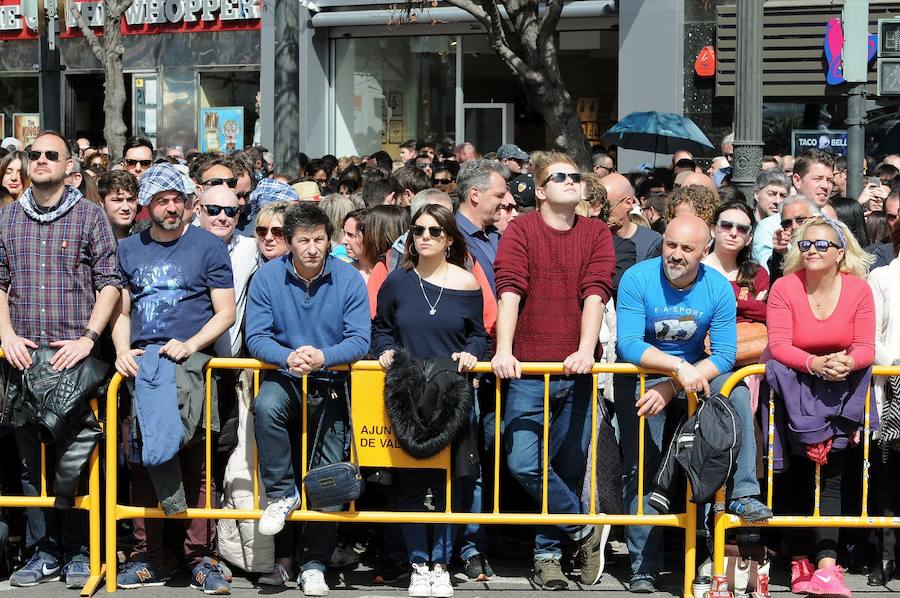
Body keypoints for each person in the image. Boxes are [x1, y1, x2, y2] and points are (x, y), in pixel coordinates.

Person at [615, 214, 772, 593]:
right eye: (671, 245)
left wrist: (676, 382)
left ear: (705, 251)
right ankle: (643, 567)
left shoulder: (716, 285)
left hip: (690, 374)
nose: (677, 254)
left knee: (732, 388)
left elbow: (724, 353)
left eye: (687, 248)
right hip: (643, 373)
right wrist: (675, 370)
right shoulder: (637, 278)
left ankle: (745, 495)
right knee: (644, 468)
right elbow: (630, 344)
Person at [0, 131, 124, 589]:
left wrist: (90, 338)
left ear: (70, 165)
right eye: (35, 154)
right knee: (31, 464)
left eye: (52, 155)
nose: (41, 160)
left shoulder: (90, 215)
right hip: (24, 359)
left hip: (74, 361)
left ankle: (77, 550)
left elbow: (110, 281)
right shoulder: (8, 219)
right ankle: (41, 551)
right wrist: (7, 334)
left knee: (76, 461)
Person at [492, 152, 615, 590]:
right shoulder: (520, 230)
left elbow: (595, 294)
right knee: (523, 461)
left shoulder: (597, 232)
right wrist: (503, 350)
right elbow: (509, 290)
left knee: (563, 467)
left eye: (575, 176)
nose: (570, 181)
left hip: (575, 370)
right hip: (527, 368)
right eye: (559, 177)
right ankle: (583, 528)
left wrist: (585, 350)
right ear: (540, 190)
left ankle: (547, 555)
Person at [111, 162, 236, 593]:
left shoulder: (208, 247)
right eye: (161, 201)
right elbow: (121, 311)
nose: (170, 208)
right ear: (147, 205)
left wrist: (191, 344)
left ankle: (200, 556)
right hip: (143, 368)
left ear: (188, 203)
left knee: (196, 464)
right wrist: (123, 350)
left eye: (176, 200)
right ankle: (150, 557)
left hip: (194, 367)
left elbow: (225, 312)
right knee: (146, 460)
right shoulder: (128, 249)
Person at [246, 203, 370, 597]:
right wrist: (287, 356)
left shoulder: (349, 279)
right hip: (284, 377)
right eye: (304, 241)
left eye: (319, 240)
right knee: (266, 407)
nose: (313, 248)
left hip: (331, 381)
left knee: (327, 475)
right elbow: (256, 335)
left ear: (328, 239)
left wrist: (324, 356)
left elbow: (360, 339)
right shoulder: (267, 278)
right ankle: (282, 495)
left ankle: (314, 563)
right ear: (290, 242)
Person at [373, 204, 488, 598]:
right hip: (408, 392)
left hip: (453, 394)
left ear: (449, 239)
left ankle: (442, 564)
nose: (424, 236)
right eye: (417, 229)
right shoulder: (398, 281)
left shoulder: (468, 283)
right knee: (409, 483)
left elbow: (478, 335)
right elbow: (381, 328)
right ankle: (418, 564)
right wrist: (385, 349)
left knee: (452, 484)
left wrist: (472, 353)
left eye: (434, 231)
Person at [764, 216, 875, 597]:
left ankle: (828, 567)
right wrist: (815, 363)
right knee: (793, 476)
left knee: (832, 478)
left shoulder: (859, 290)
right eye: (806, 244)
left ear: (840, 253)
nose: (811, 250)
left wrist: (848, 362)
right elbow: (778, 344)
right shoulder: (783, 287)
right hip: (791, 389)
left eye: (822, 245)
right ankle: (799, 561)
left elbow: (865, 346)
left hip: (840, 390)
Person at [866, 224, 900, 586]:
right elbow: (871, 334)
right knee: (888, 474)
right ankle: (886, 555)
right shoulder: (883, 277)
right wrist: (894, 367)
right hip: (891, 387)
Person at [194, 184, 259, 358]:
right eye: (214, 210)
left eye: (230, 211)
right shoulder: (182, 246)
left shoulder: (252, 248)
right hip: (190, 356)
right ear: (198, 210)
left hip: (230, 363)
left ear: (238, 216)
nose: (223, 217)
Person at [703, 201, 769, 324]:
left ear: (749, 238)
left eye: (742, 229)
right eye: (726, 225)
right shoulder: (696, 270)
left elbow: (767, 313)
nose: (733, 233)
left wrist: (738, 305)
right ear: (713, 230)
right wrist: (750, 306)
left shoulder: (758, 273)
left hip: (749, 340)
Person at [600, 173, 662, 262]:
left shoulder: (651, 242)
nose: (601, 211)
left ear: (628, 203)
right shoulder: (593, 238)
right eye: (598, 205)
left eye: (607, 206)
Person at [767, 195, 821, 282]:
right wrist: (779, 253)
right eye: (787, 223)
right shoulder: (780, 257)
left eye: (800, 220)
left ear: (816, 219)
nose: (794, 227)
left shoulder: (829, 248)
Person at [750, 169, 792, 268]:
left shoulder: (789, 227)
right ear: (757, 194)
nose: (777, 201)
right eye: (771, 194)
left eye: (782, 196)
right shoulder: (745, 225)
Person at [98, 170, 139, 239]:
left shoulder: (147, 237)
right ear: (101, 202)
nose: (125, 208)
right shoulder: (90, 239)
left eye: (130, 200)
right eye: (117, 200)